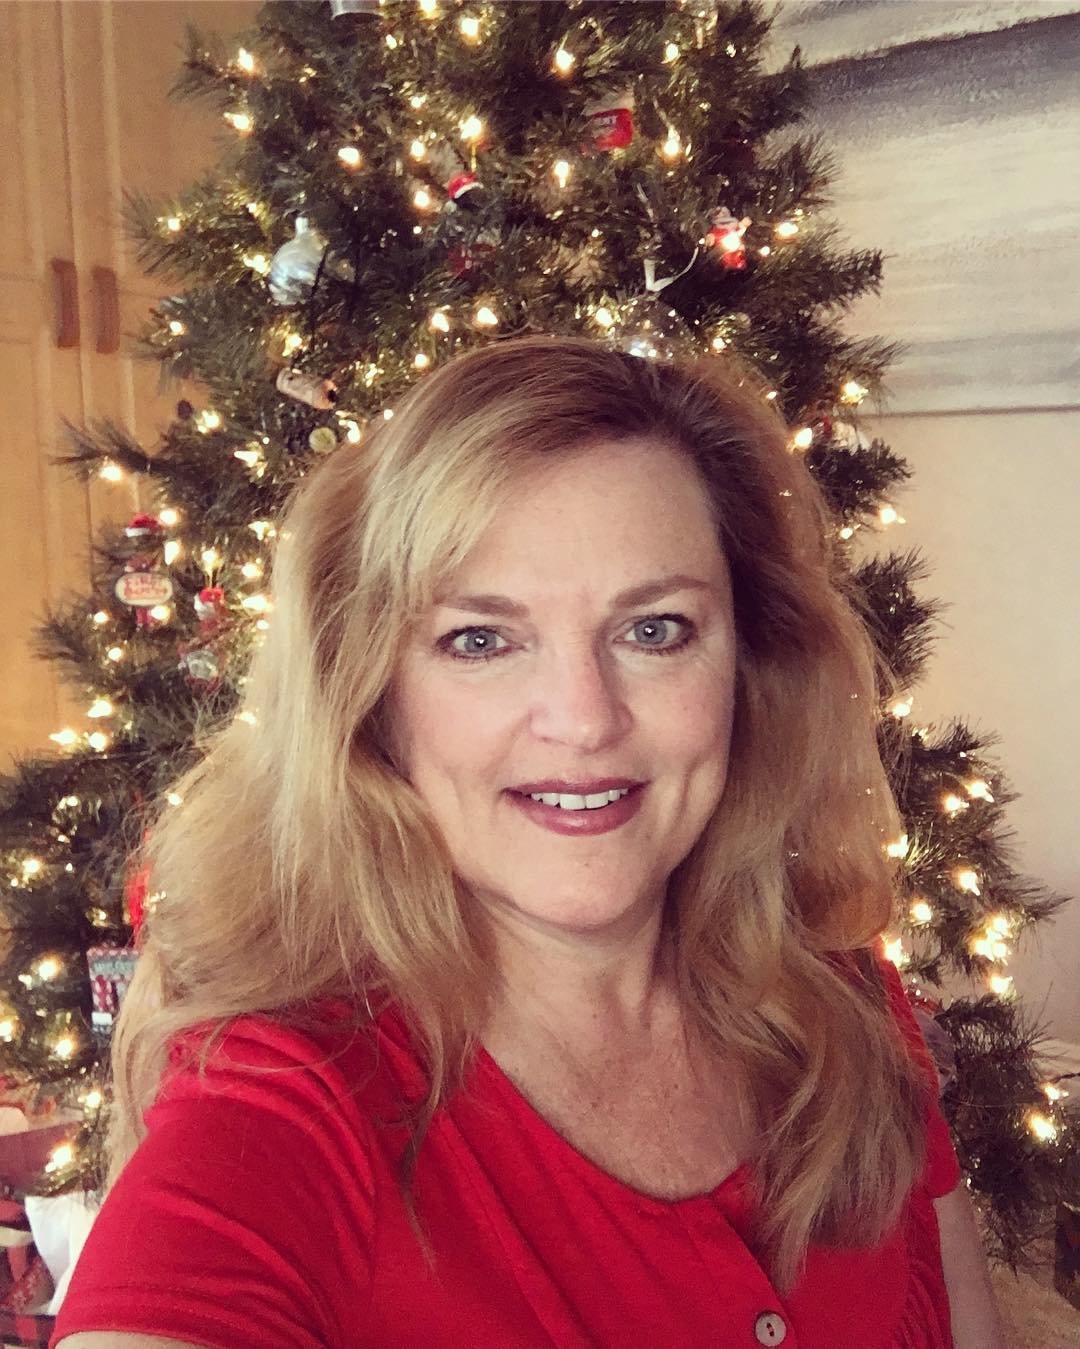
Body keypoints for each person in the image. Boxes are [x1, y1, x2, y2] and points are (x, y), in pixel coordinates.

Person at [51, 335, 1007, 1349]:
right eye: (480, 639)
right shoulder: (285, 1103)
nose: (584, 719)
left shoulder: (841, 998)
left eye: (656, 629)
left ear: (749, 663)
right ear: (374, 696)